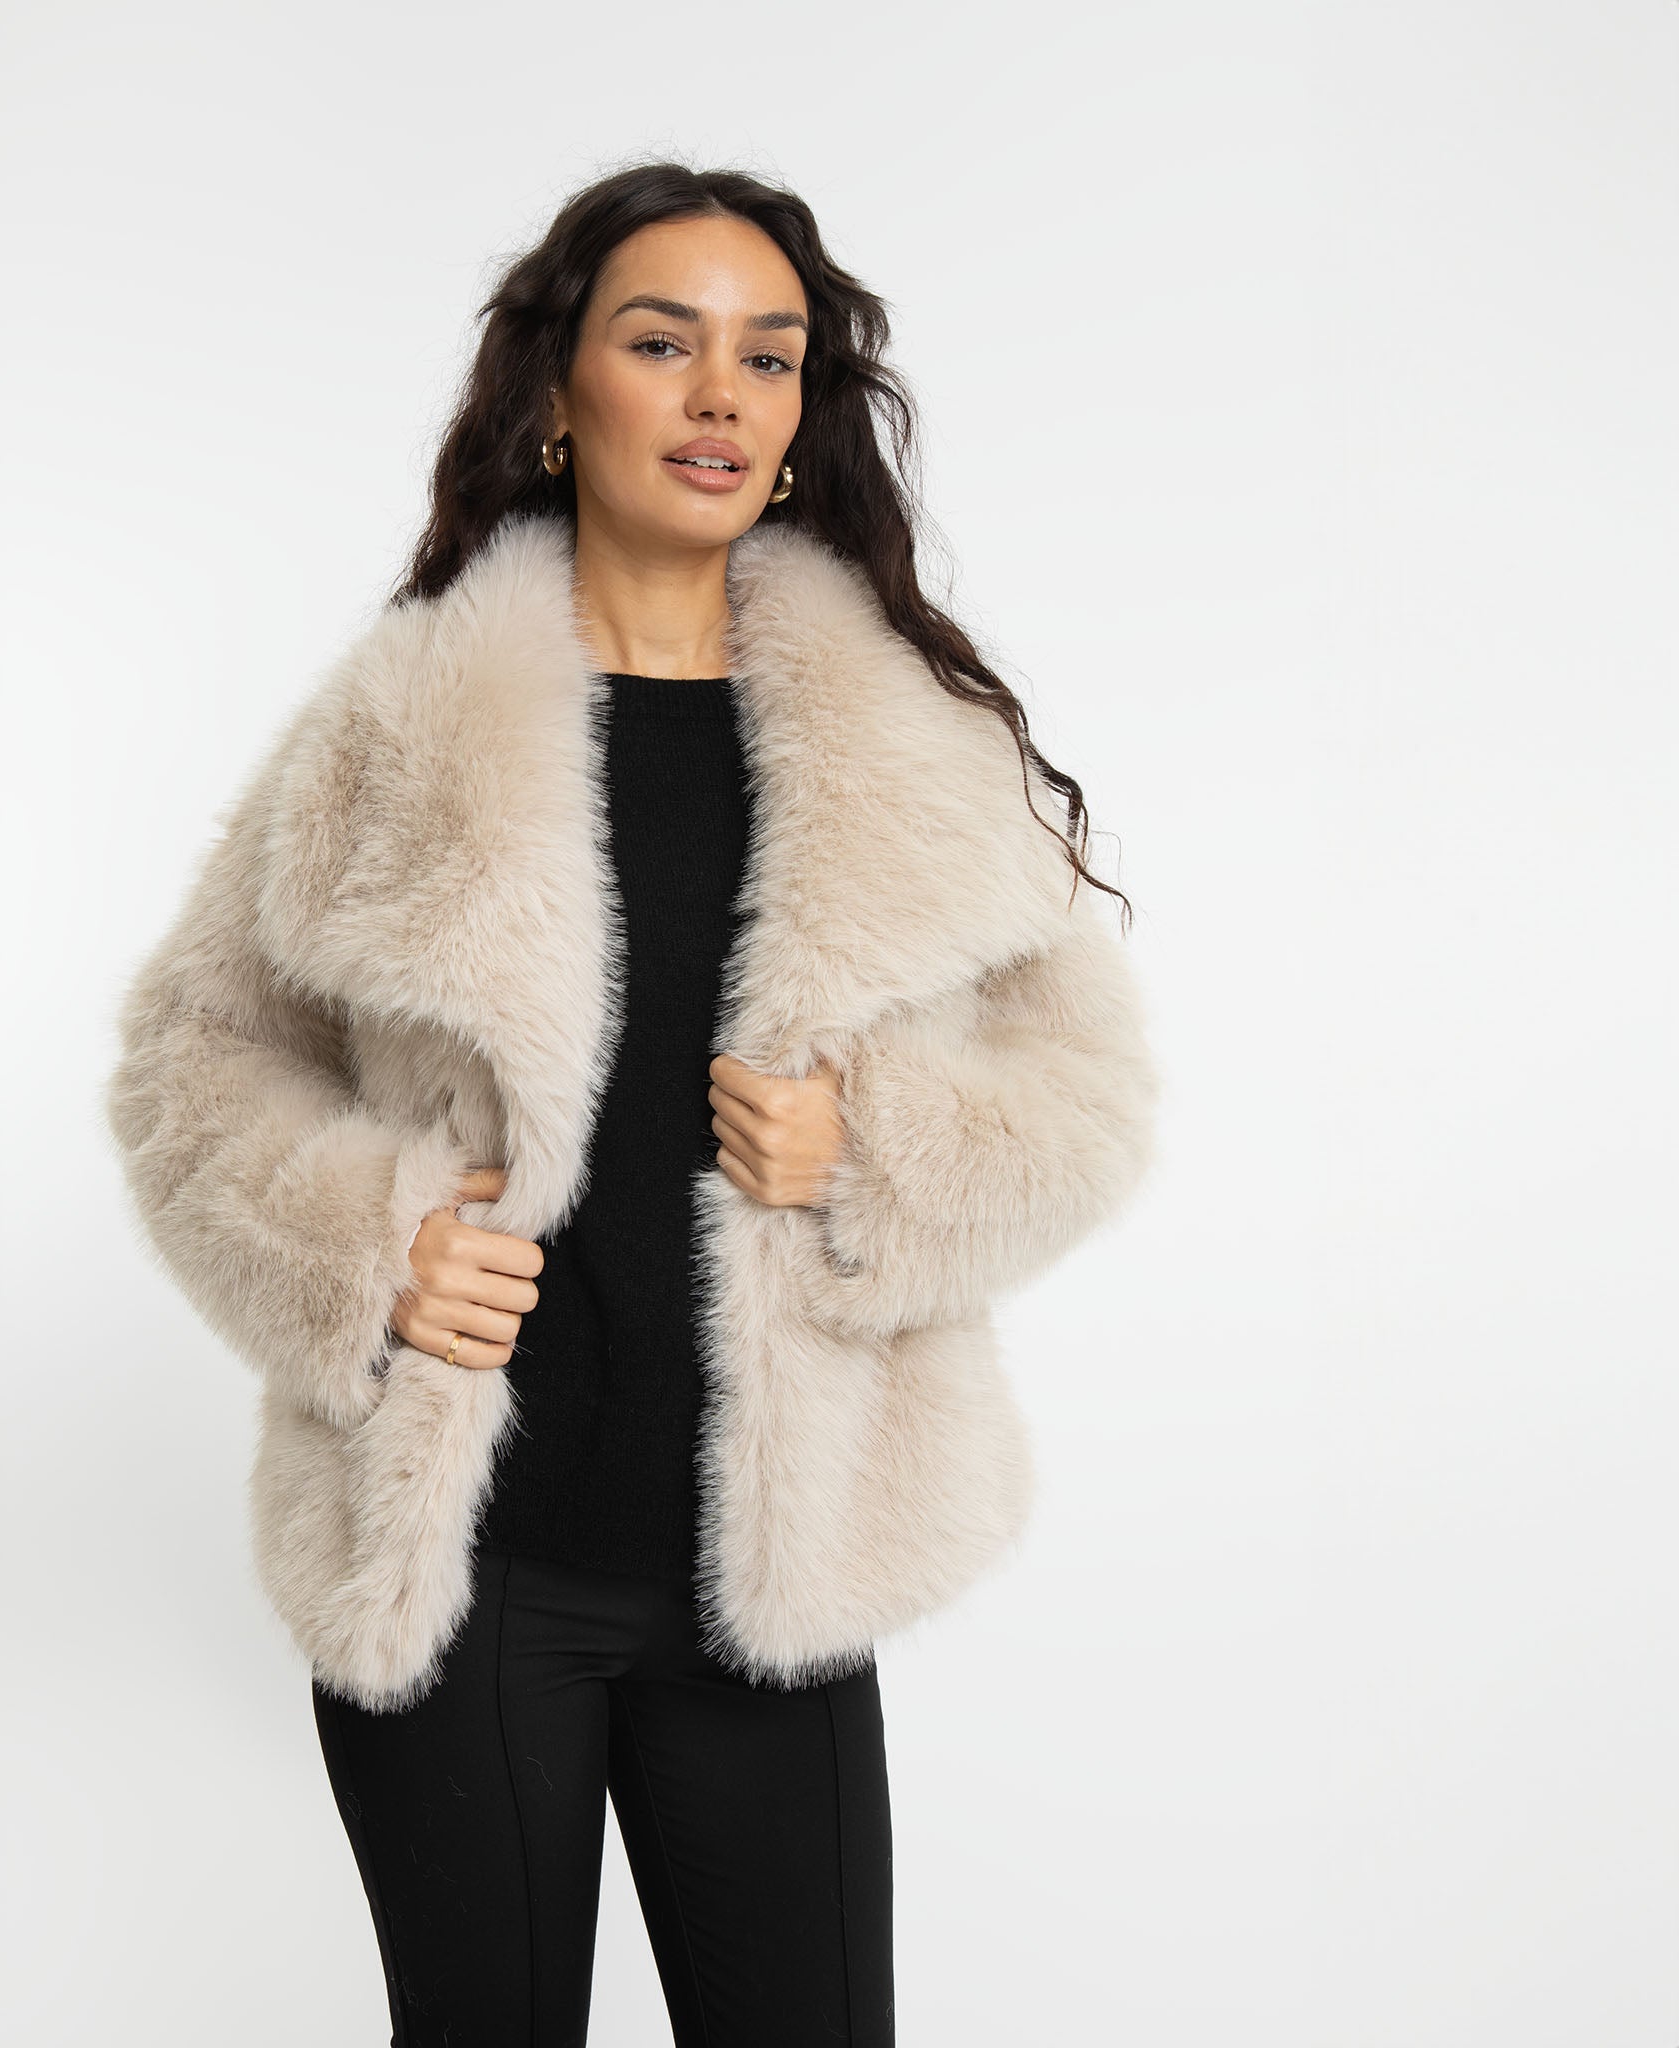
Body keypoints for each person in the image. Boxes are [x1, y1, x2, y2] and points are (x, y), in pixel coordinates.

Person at [104, 160, 1159, 2047]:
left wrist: (880, 1152)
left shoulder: (915, 750)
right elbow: (194, 1057)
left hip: (782, 1571)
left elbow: (1089, 1092)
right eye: (663, 343)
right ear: (556, 389)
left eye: (770, 355)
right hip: (469, 1569)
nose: (720, 395)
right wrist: (373, 1246)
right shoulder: (402, 723)